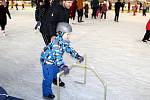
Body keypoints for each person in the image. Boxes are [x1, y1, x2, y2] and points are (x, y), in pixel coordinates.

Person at [40, 22, 84, 99]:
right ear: (60, 33)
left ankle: (55, 80)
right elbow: (58, 58)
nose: (69, 36)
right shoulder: (56, 44)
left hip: (54, 60)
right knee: (48, 78)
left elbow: (69, 49)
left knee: (56, 71)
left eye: (69, 34)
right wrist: (63, 66)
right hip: (47, 62)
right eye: (67, 34)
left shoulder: (63, 41)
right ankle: (46, 93)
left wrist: (77, 55)